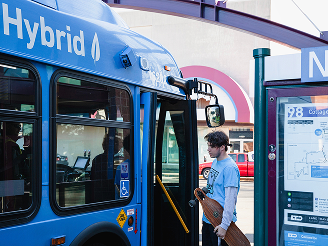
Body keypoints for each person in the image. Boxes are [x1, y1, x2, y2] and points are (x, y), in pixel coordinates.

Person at [202, 131, 240, 246]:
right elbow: (213, 188)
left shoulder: (230, 168)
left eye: (212, 146)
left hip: (220, 223)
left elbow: (230, 199)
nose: (208, 149)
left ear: (222, 147)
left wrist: (224, 226)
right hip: (208, 219)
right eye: (208, 145)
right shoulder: (215, 162)